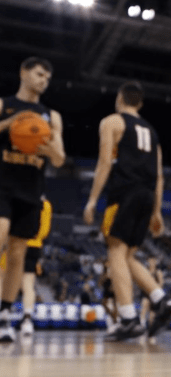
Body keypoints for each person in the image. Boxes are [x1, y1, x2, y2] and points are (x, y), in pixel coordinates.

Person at [83, 81, 171, 341]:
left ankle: (127, 318)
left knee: (114, 250)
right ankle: (161, 299)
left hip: (124, 193)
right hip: (146, 196)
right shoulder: (152, 132)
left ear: (120, 98)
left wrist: (92, 200)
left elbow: (104, 163)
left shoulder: (112, 122)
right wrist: (157, 210)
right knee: (127, 256)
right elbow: (159, 176)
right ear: (141, 103)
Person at [0, 57, 66, 342]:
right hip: (1, 186)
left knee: (17, 256)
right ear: (23, 72)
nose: (43, 81)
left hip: (31, 191)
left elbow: (60, 158)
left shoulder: (51, 116)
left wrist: (49, 147)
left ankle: (4, 315)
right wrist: (12, 123)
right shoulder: (4, 105)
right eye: (39, 74)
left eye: (47, 78)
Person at [18, 197, 52, 337]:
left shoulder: (15, 198)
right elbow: (45, 231)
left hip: (14, 243)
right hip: (34, 245)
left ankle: (4, 318)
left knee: (3, 280)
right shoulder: (45, 204)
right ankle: (27, 321)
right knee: (28, 284)